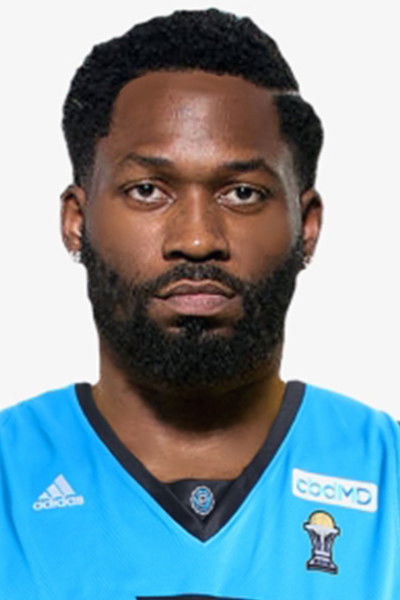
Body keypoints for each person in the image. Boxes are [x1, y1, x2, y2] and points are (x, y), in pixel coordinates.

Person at [0, 8, 398, 599]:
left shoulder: (387, 476)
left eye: (243, 193)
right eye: (148, 190)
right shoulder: (10, 474)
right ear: (77, 222)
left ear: (306, 227)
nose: (196, 239)